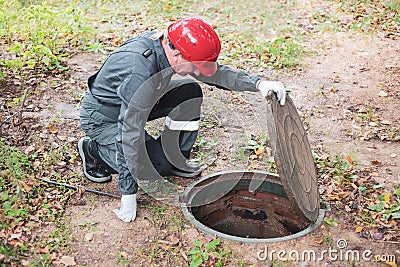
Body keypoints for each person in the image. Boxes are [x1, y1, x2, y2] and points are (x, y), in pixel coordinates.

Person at [78, 17, 287, 223]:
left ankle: (175, 157)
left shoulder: (173, 50)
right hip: (104, 116)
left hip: (144, 99)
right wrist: (128, 192)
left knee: (189, 91)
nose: (198, 72)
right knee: (156, 166)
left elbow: (214, 74)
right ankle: (93, 152)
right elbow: (129, 131)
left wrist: (258, 84)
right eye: (196, 66)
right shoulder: (138, 69)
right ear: (177, 54)